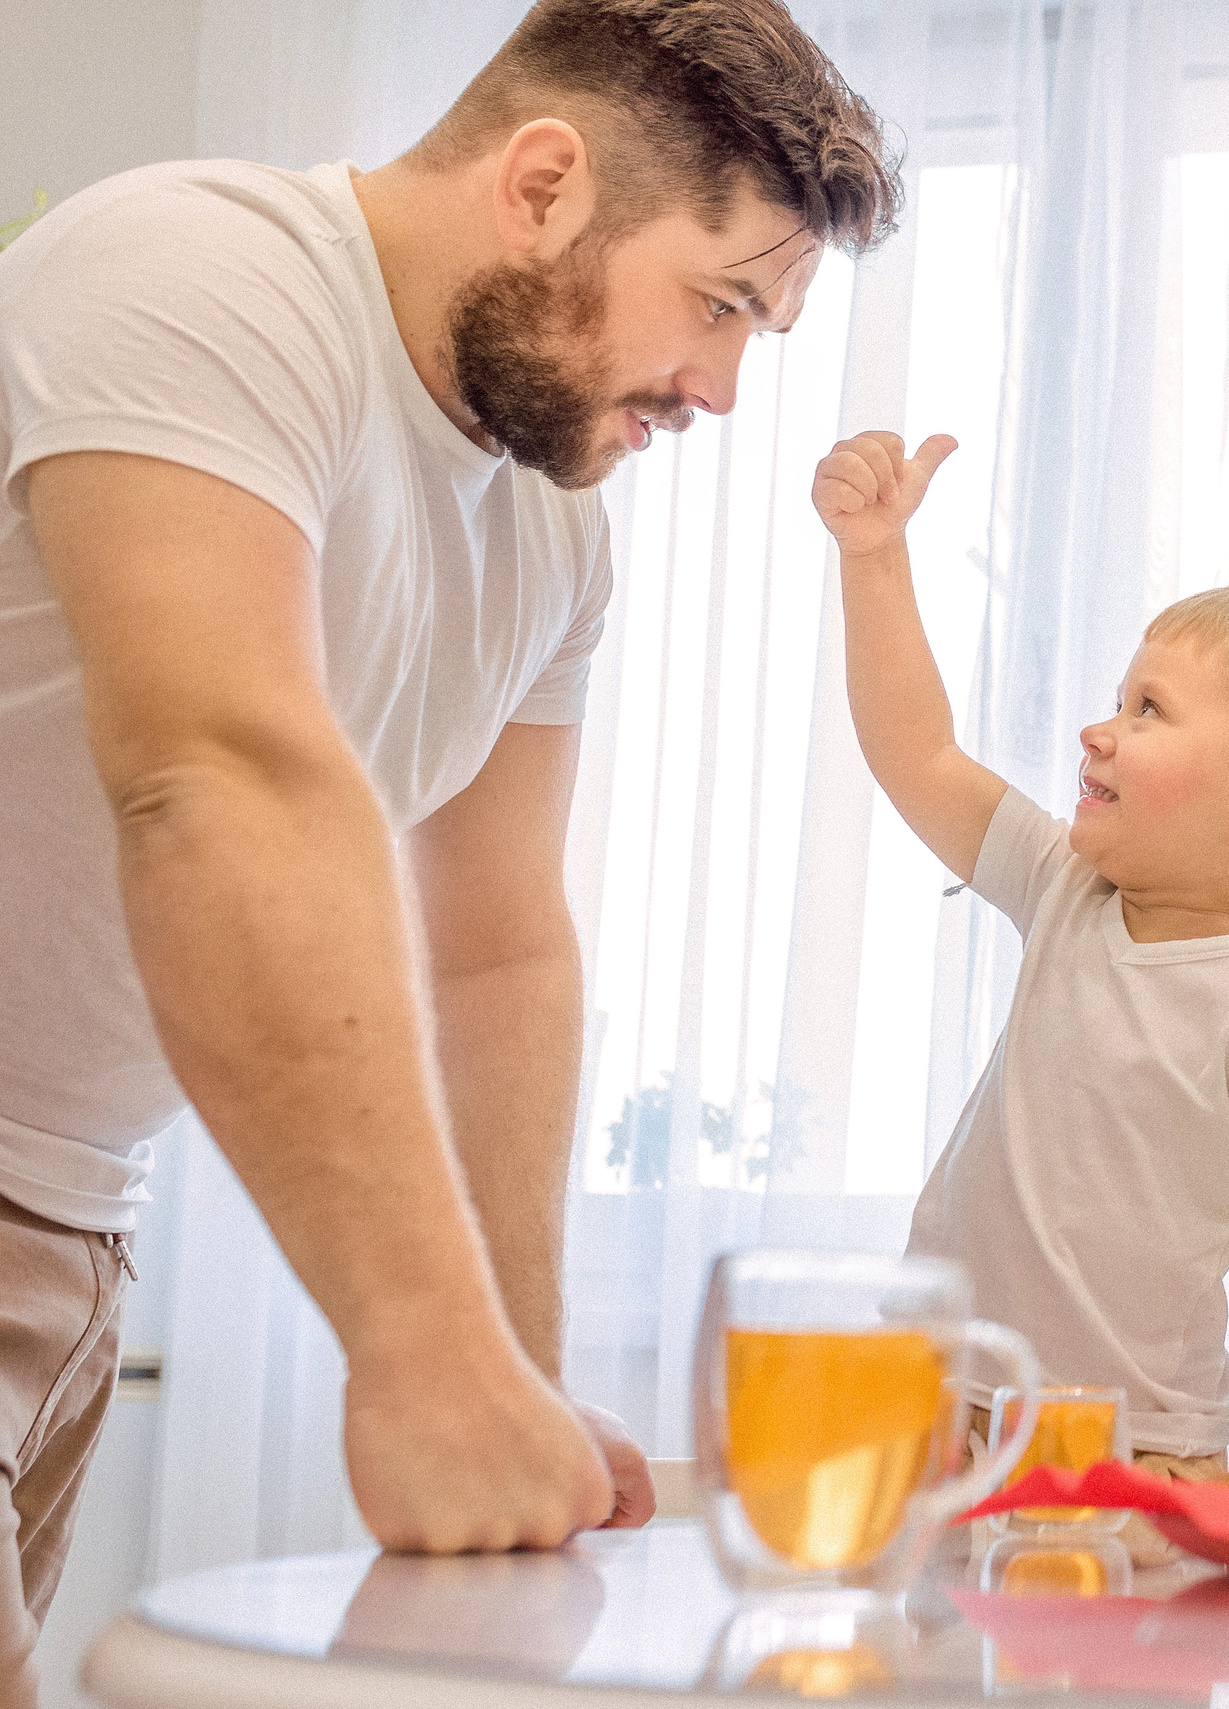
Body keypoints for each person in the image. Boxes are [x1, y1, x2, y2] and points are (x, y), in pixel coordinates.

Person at [0, 0, 898, 1692]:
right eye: (719, 303)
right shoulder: (205, 272)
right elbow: (218, 772)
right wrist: (419, 1355)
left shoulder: (554, 533)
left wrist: (519, 1375)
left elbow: (496, 944)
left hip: (71, 1224)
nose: (719, 386)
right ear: (545, 182)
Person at [812, 430, 1229, 1483]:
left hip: (1139, 1448)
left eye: (1148, 709)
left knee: (1118, 1649)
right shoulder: (1066, 886)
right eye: (1118, 697)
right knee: (915, 1642)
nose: (1099, 730)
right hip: (932, 1405)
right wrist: (873, 556)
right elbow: (915, 751)